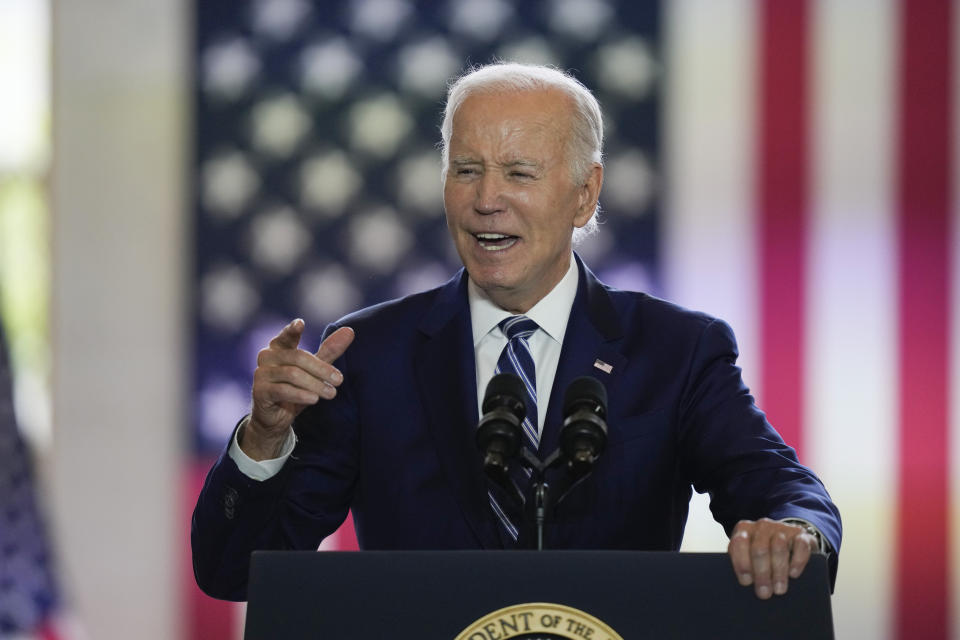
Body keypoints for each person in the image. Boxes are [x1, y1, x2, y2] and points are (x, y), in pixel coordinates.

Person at [191, 62, 841, 603]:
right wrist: (264, 438)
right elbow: (234, 571)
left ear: (585, 195)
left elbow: (785, 490)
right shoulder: (371, 356)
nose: (486, 199)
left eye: (519, 173)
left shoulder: (674, 352)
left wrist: (792, 531)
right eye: (466, 169)